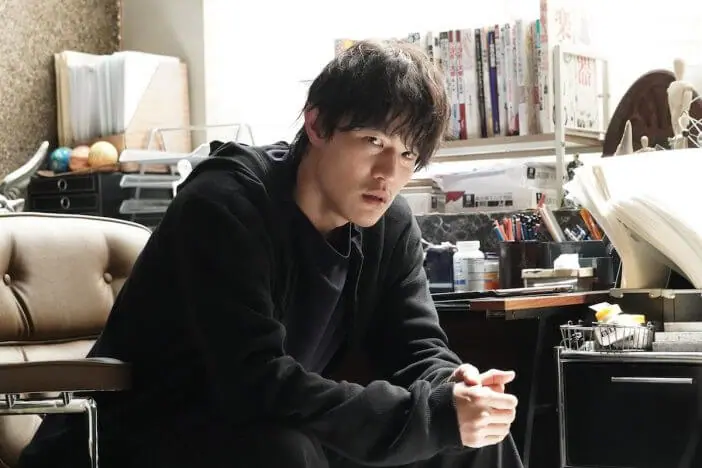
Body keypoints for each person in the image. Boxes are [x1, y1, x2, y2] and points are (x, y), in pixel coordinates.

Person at [19, 40, 523, 468]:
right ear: (317, 126)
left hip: (255, 424)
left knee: (476, 439)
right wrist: (429, 416)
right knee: (284, 448)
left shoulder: (386, 225)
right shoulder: (224, 206)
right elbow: (256, 380)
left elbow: (415, 345)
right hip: (138, 433)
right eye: (373, 141)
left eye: (409, 154)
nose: (389, 173)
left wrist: (455, 387)